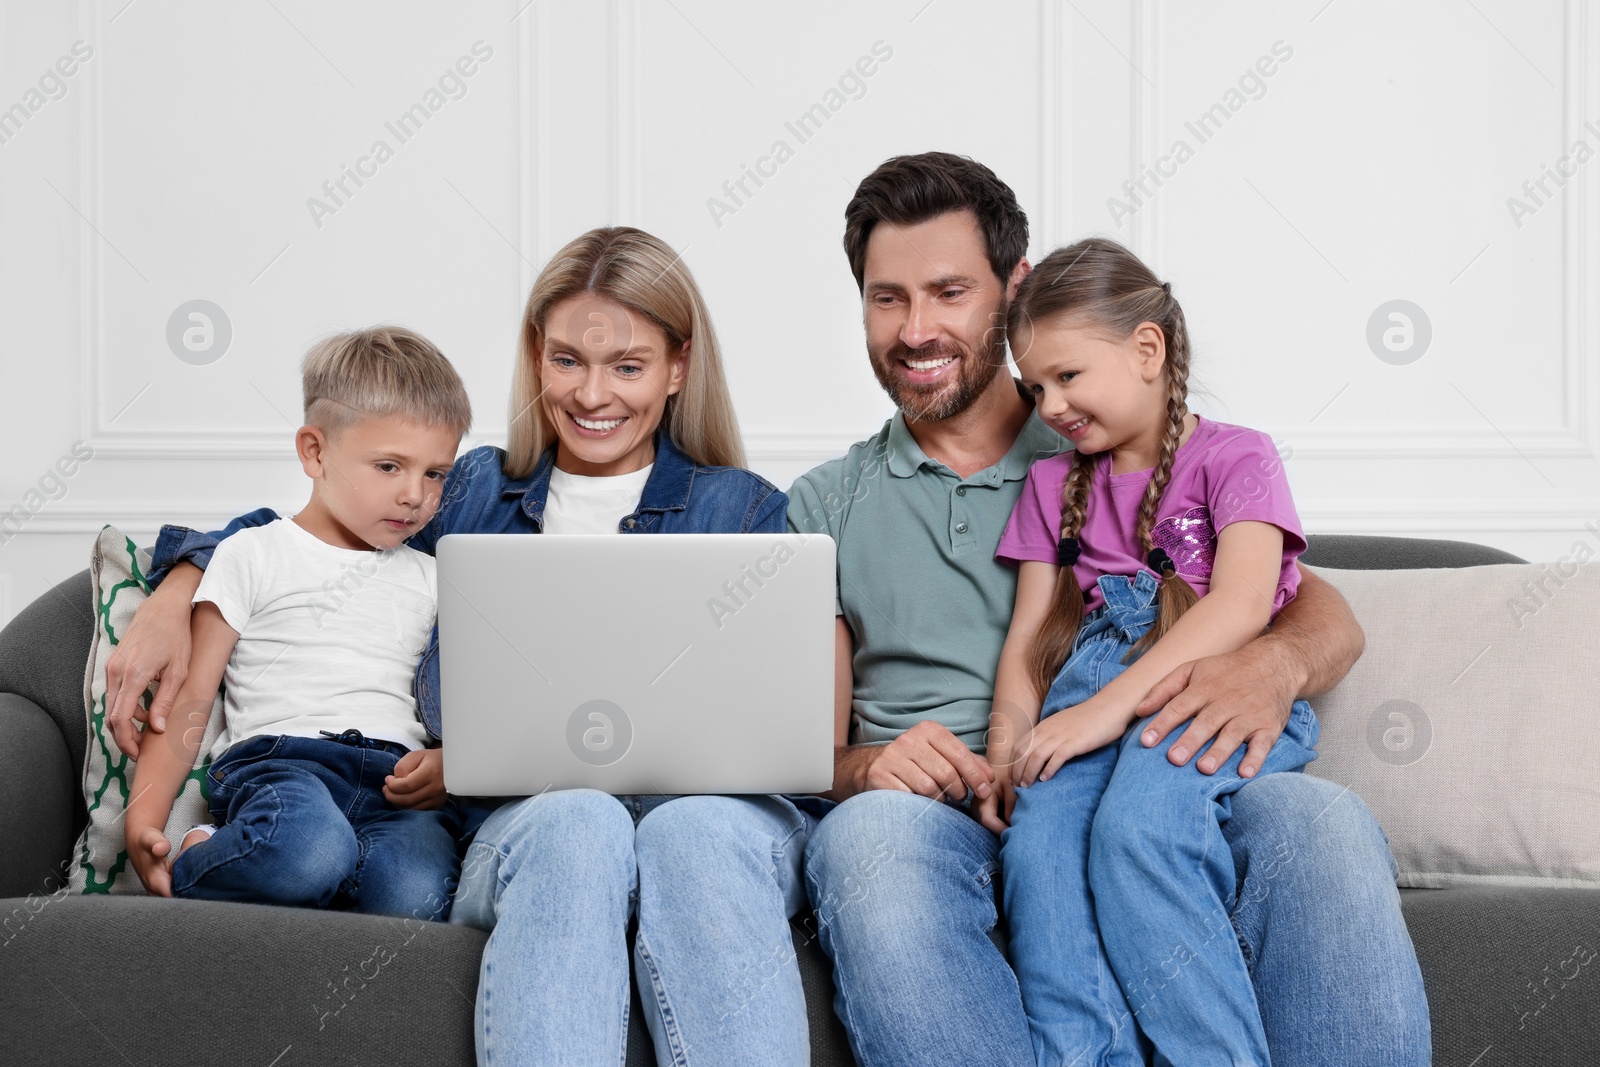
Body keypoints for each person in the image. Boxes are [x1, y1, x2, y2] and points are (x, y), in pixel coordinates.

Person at [110, 227, 821, 1067]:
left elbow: (766, 722)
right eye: (567, 360)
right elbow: (311, 528)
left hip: (699, 825)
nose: (594, 394)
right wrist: (173, 590)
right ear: (535, 356)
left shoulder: (742, 511)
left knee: (665, 828)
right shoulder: (469, 488)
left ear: (677, 367)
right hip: (522, 833)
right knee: (575, 819)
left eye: (627, 366)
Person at [788, 152, 1431, 1066]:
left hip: (1151, 733)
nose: (917, 326)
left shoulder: (1114, 433)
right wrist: (867, 765)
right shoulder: (825, 503)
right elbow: (798, 746)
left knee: (1320, 824)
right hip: (969, 798)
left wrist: (1273, 665)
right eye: (887, 297)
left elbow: (1300, 604)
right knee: (877, 844)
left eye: (949, 291)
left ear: (1013, 293)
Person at [986, 237, 1322, 1064]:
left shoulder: (1236, 455)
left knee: (1139, 830)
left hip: (1207, 682)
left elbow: (1243, 603)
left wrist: (1108, 710)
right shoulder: (1049, 485)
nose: (1051, 403)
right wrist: (1007, 739)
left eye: (1067, 375)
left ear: (1147, 348)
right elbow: (1029, 638)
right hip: (1083, 688)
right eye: (1035, 387)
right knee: (1039, 850)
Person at [125, 327, 469, 921]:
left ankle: (320, 888)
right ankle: (204, 858)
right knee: (308, 850)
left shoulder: (438, 577)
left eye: (436, 474)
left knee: (418, 898)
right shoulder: (252, 553)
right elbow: (190, 699)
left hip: (397, 785)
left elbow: (466, 705)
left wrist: (456, 761)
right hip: (287, 765)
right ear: (314, 452)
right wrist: (144, 818)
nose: (415, 495)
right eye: (390, 466)